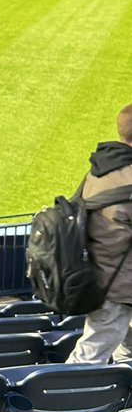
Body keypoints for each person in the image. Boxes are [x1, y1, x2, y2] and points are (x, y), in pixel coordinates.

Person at [68, 104, 132, 365]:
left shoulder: (99, 170)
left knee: (123, 350)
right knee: (88, 359)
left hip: (101, 279)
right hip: (118, 287)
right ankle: (60, 401)